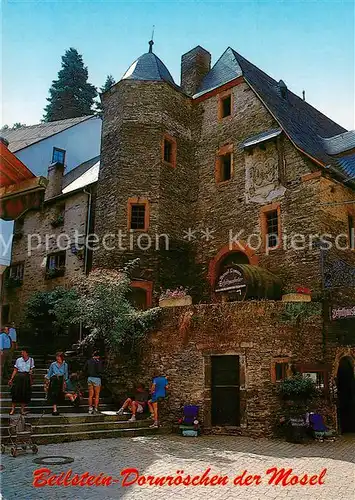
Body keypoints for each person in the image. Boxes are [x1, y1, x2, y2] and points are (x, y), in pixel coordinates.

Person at [8, 349, 34, 415]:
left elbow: (31, 370)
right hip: (18, 377)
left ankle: (22, 410)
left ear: (27, 353)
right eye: (21, 352)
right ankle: (12, 409)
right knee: (15, 393)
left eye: (24, 352)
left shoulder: (31, 360)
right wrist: (11, 379)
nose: (22, 353)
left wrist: (31, 379)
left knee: (24, 394)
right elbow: (15, 370)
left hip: (26, 377)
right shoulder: (18, 360)